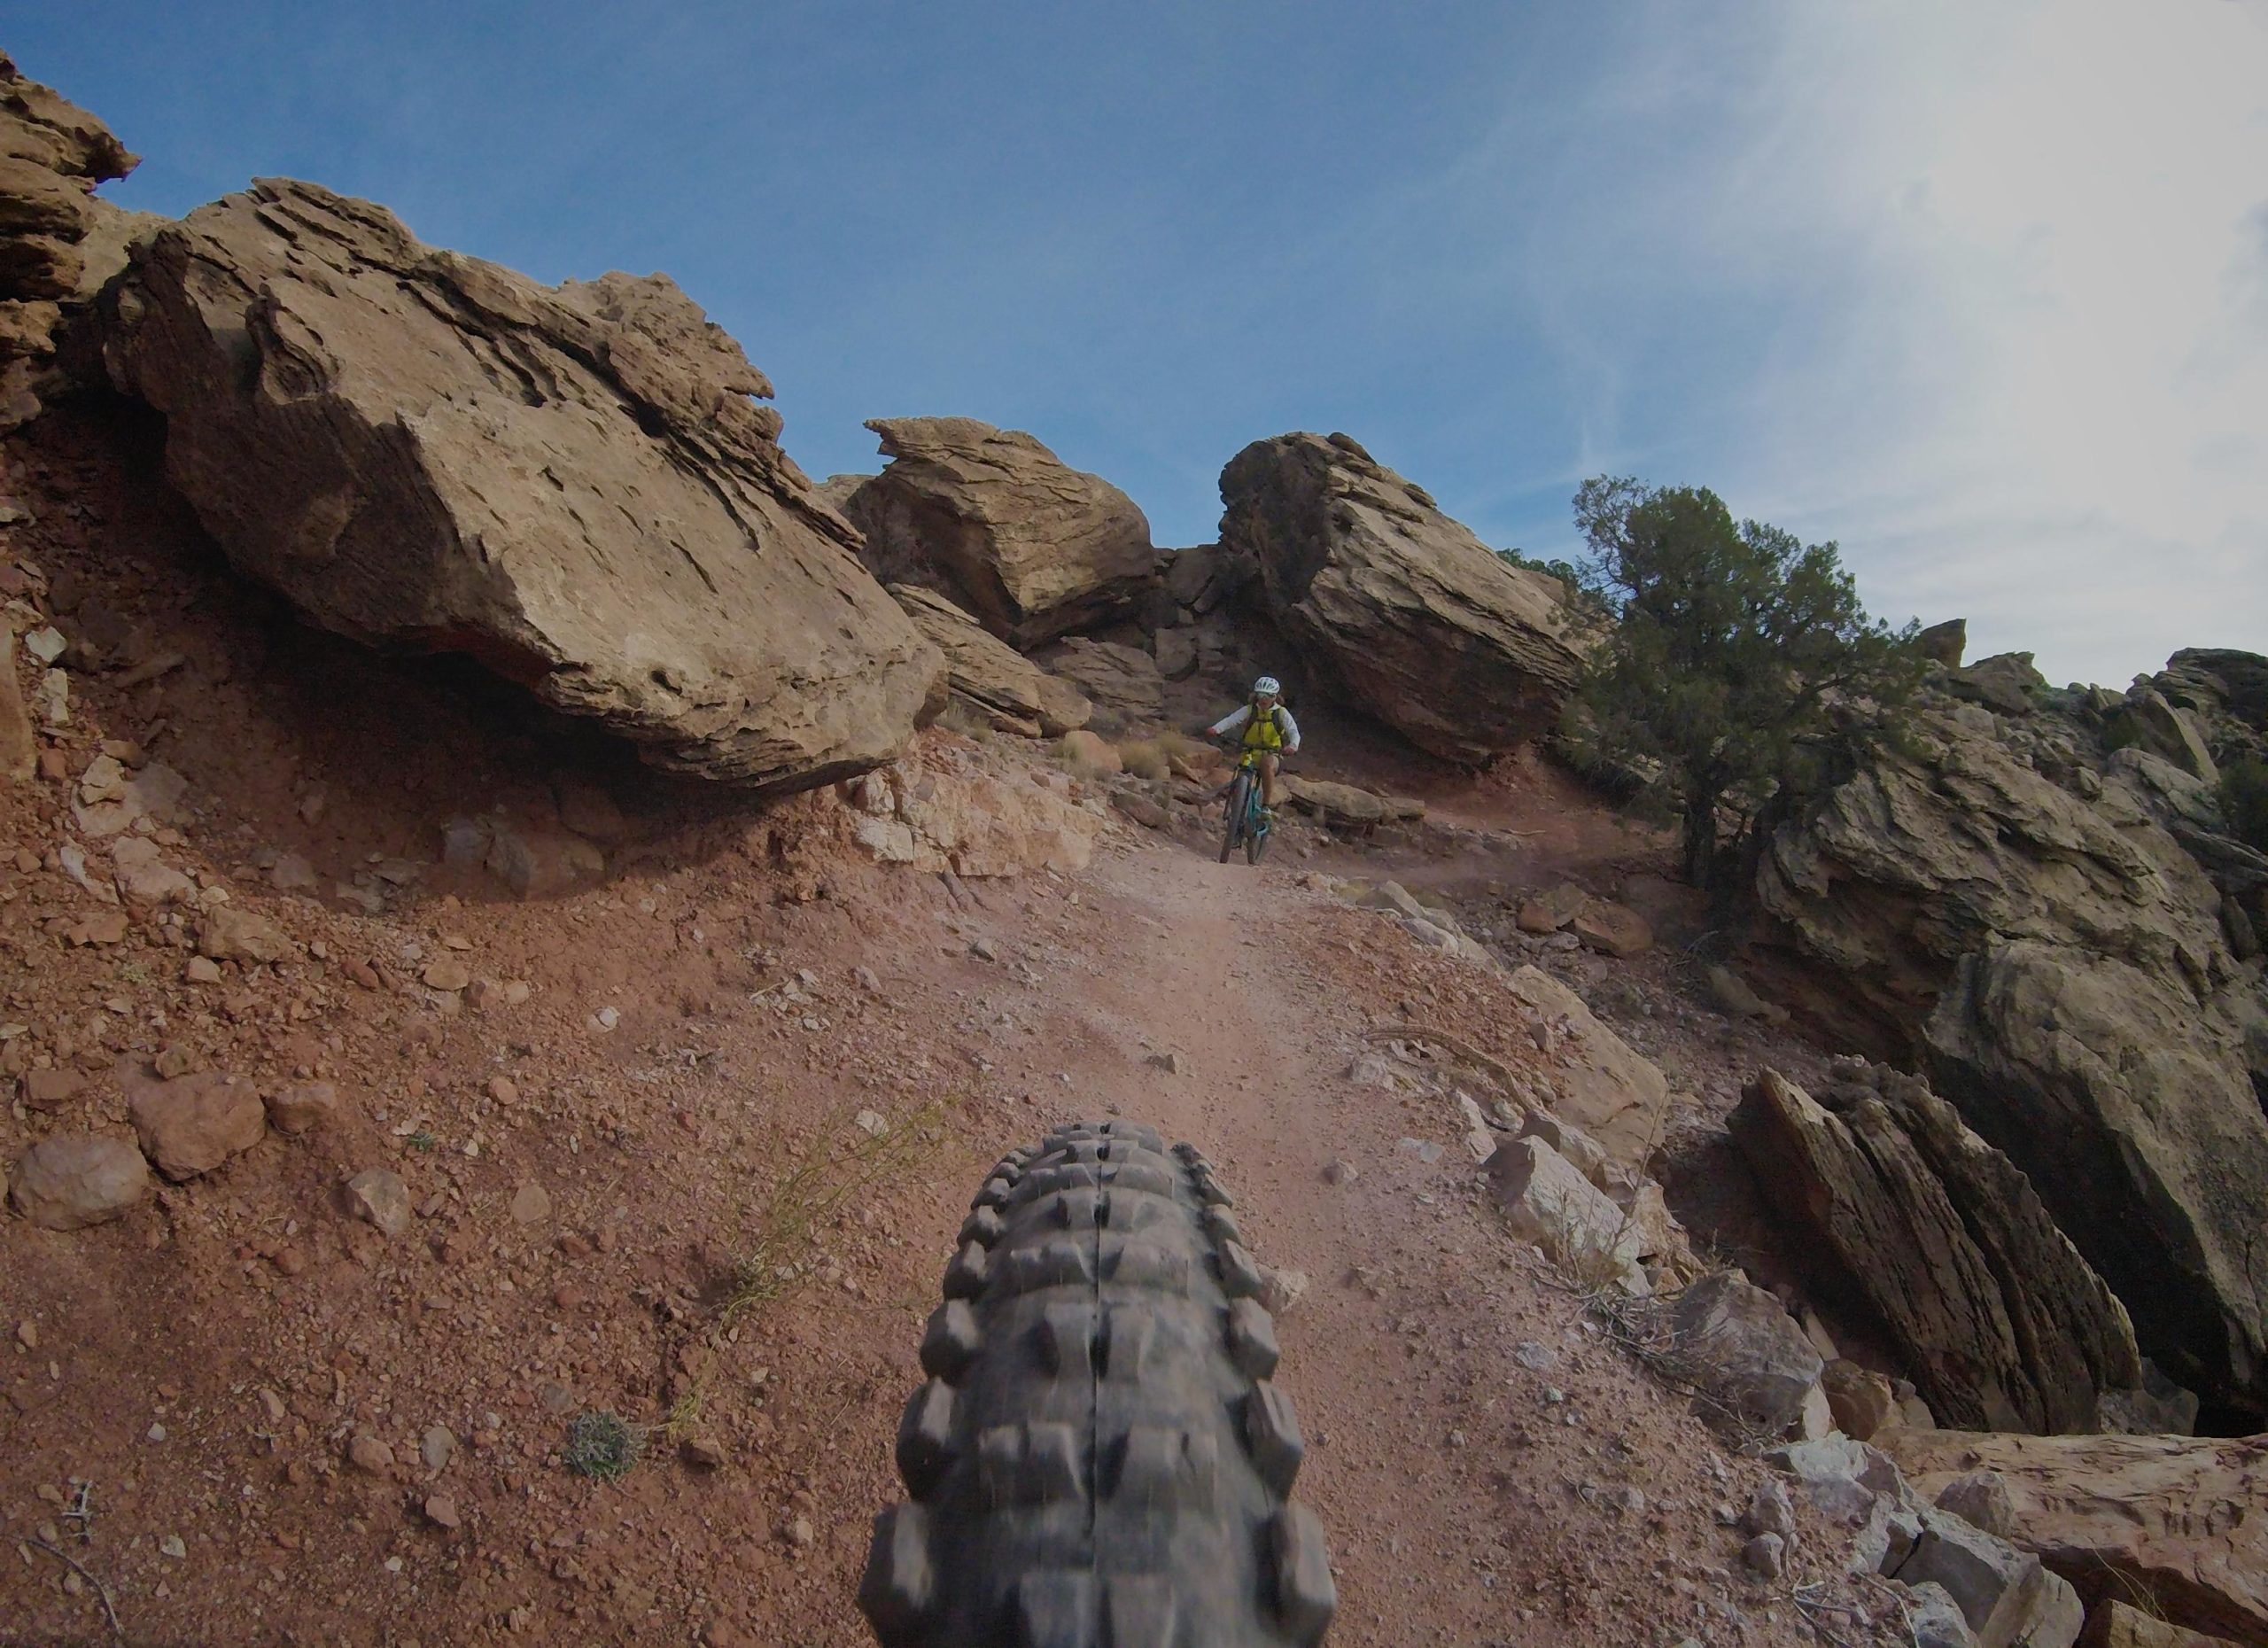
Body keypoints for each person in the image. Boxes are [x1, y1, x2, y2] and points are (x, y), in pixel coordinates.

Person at [1201, 675, 1301, 816]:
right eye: (1261, 694)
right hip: (1250, 752)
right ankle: (1237, 807)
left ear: (1275, 697)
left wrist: (1293, 746)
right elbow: (1232, 720)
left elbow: (1293, 732)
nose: (1264, 698)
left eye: (1269, 695)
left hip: (1272, 754)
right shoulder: (1250, 709)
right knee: (1242, 771)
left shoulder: (1281, 713)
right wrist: (1216, 729)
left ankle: (1266, 806)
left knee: (1267, 764)